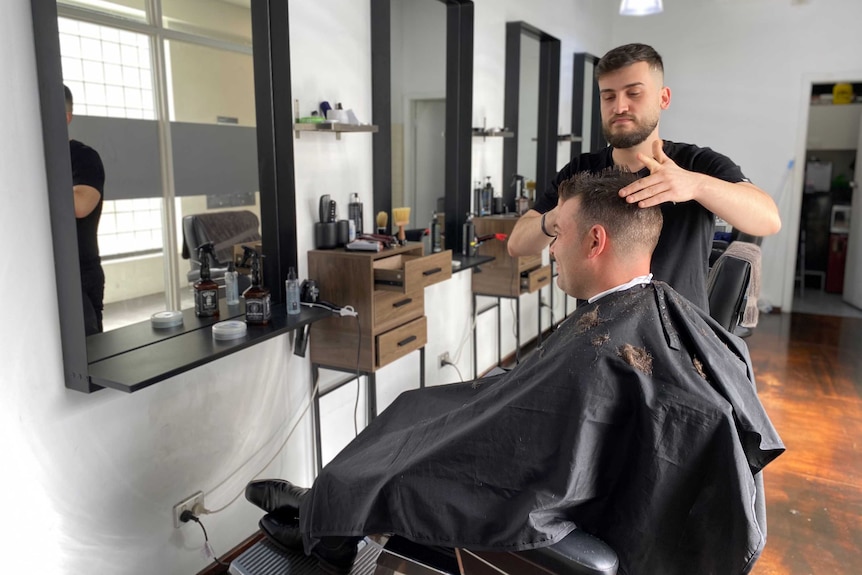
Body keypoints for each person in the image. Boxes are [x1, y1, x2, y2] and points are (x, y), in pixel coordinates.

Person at [245, 170, 784, 575]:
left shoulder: (611, 343)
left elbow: (549, 444)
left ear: (595, 241)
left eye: (559, 235)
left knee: (414, 425)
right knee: (421, 411)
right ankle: (327, 504)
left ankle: (326, 527)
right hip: (560, 438)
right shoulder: (650, 309)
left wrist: (484, 411)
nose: (550, 250)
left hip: (547, 474)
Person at [507, 43, 781, 311]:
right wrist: (557, 217)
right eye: (608, 96)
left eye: (634, 93)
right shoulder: (581, 171)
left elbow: (768, 219)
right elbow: (517, 244)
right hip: (600, 335)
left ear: (663, 98)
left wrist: (695, 184)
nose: (620, 107)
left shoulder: (696, 163)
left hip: (679, 341)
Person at [65, 85, 106, 335]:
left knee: (88, 358)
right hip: (41, 270)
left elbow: (80, 206)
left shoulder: (83, 157)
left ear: (66, 117)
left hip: (81, 272)